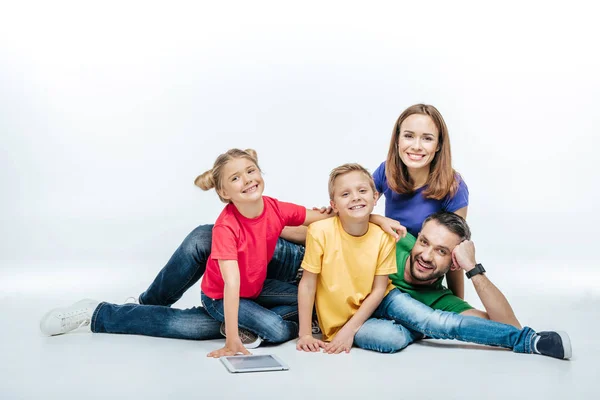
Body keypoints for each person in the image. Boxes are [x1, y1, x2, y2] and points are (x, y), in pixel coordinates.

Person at [39, 149, 335, 355]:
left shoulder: (273, 206)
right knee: (271, 329)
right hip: (222, 295)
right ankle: (99, 313)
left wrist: (371, 217)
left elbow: (322, 216)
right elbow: (231, 284)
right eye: (235, 178)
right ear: (223, 193)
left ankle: (245, 321)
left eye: (250, 171)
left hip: (256, 286)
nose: (246, 179)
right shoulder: (226, 228)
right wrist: (232, 339)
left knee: (304, 307)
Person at [296, 164, 571, 360]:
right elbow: (345, 217)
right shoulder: (393, 236)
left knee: (436, 323)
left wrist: (473, 269)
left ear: (453, 262)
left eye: (440, 251)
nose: (426, 255)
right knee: (393, 336)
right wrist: (375, 218)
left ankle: (532, 342)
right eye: (424, 242)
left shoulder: (441, 301)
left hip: (383, 303)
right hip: (346, 305)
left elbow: (507, 326)